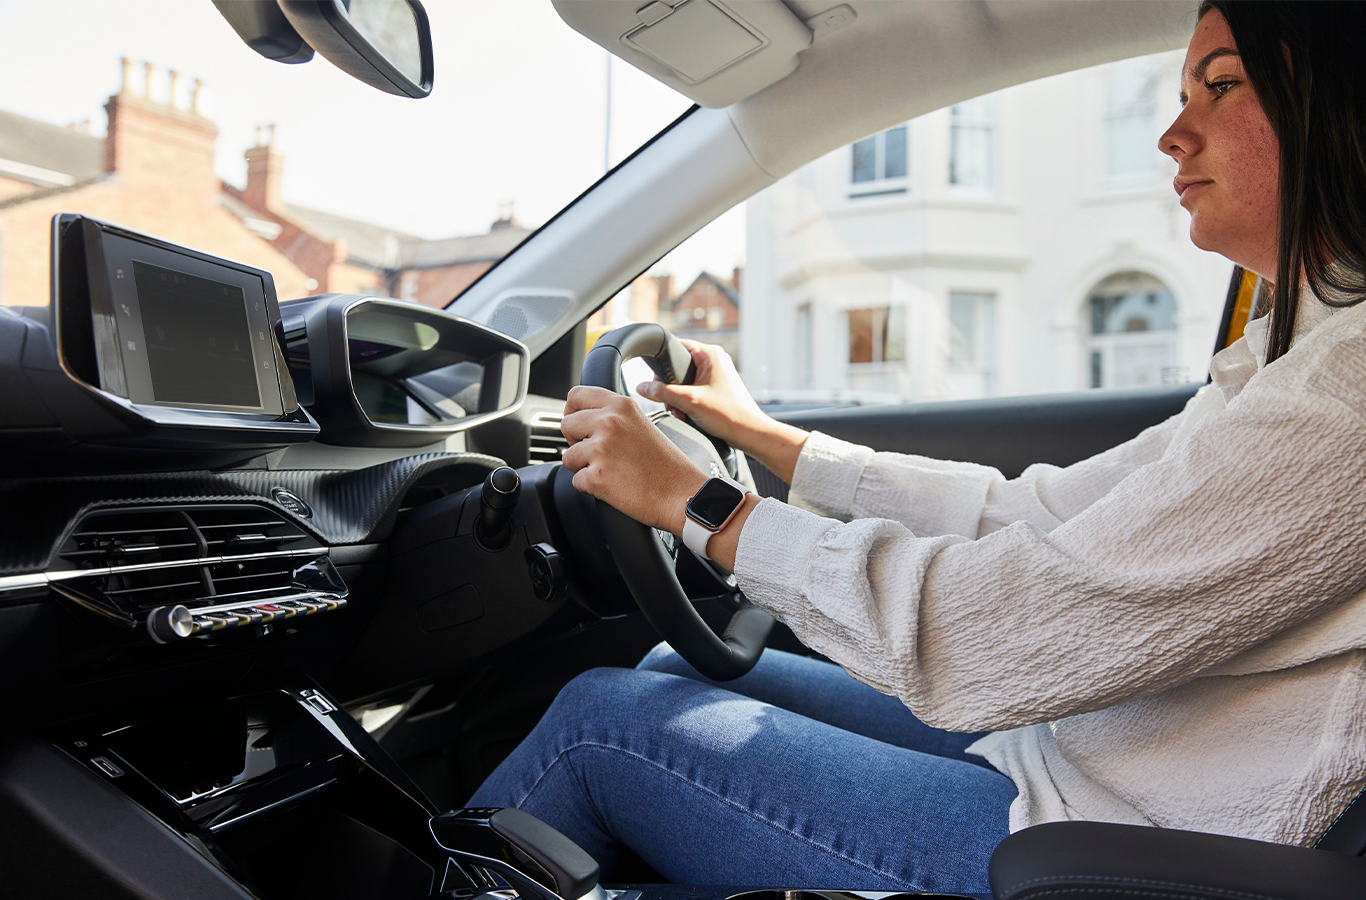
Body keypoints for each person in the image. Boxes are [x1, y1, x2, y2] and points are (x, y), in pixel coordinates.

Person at [470, 2, 1366, 893]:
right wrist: (768, 440)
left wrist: (703, 508)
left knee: (603, 725)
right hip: (1074, 764)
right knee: (668, 664)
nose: (1173, 134)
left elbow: (999, 632)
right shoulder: (1297, 361)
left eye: (1221, 86)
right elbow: (1033, 513)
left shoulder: (1341, 395)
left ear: (1337, 101)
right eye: (1182, 95)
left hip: (1115, 849)